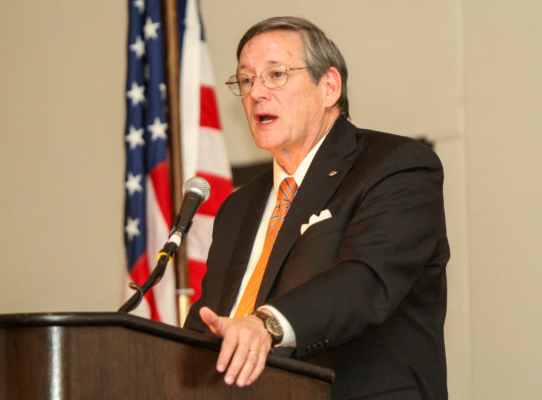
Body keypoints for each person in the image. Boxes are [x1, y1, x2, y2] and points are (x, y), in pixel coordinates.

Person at [184, 16, 449, 400]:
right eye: (246, 79)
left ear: (328, 87)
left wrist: (267, 325)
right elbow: (211, 325)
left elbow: (364, 282)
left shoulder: (397, 166)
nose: (256, 92)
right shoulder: (237, 207)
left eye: (275, 75)